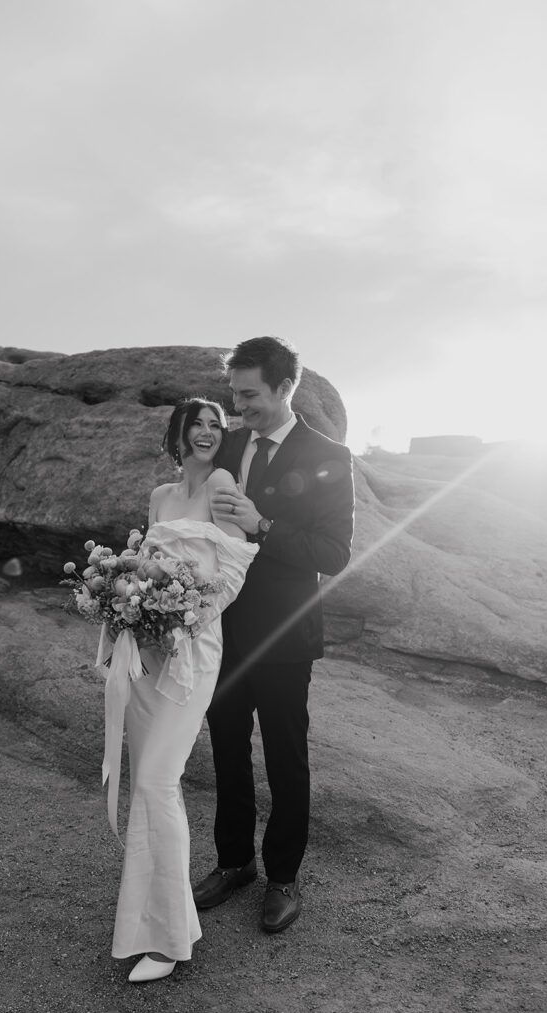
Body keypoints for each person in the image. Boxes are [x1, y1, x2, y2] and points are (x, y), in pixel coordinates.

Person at [192, 335, 355, 934]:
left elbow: (334, 554)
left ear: (287, 388)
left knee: (286, 759)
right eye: (234, 394)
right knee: (227, 753)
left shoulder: (330, 455)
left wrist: (263, 525)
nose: (239, 407)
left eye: (250, 394)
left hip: (285, 635)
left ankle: (283, 877)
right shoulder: (228, 444)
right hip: (222, 630)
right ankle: (235, 863)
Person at [103, 399, 258, 982]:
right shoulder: (161, 496)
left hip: (192, 649)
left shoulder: (222, 484)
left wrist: (187, 615)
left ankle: (167, 941)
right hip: (147, 650)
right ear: (178, 432)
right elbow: (145, 563)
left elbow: (236, 571)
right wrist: (125, 599)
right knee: (146, 786)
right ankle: (160, 919)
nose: (206, 432)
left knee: (154, 782)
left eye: (216, 425)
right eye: (196, 423)